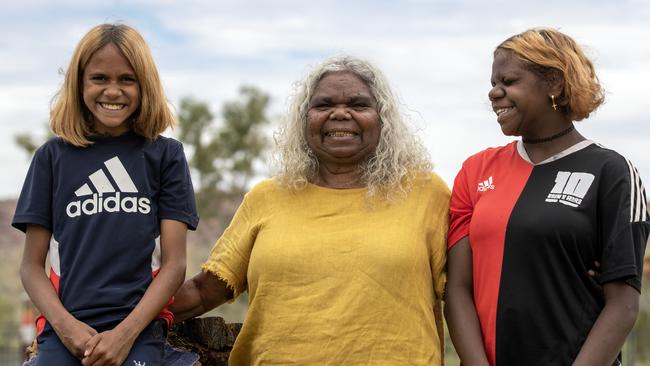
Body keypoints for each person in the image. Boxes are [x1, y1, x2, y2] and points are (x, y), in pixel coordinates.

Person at [170, 55, 450, 365]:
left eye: (358, 105)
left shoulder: (426, 194)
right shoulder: (267, 198)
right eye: (323, 104)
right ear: (304, 120)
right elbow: (204, 291)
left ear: (383, 118)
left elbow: (466, 295)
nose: (340, 114)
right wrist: (122, 320)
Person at [445, 27, 649, 366]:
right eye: (493, 83)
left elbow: (623, 306)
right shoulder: (476, 170)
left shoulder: (611, 171)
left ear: (554, 82)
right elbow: (457, 289)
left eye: (508, 81)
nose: (494, 93)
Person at [13, 23, 198, 366]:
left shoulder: (165, 156)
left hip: (139, 329)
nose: (113, 91)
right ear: (79, 83)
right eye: (99, 78)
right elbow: (30, 267)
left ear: (145, 86)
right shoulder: (52, 158)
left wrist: (125, 334)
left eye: (127, 79)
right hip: (65, 329)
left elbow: (175, 265)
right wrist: (68, 329)